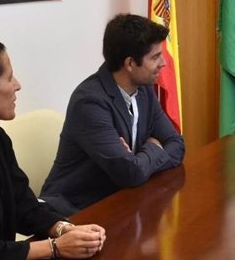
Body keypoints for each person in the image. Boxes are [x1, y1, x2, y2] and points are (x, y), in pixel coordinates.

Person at [0, 37, 106, 259]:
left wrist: (66, 230)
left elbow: (24, 207)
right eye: (9, 77)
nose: (17, 85)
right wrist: (55, 248)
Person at [40, 14, 185, 215]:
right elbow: (130, 173)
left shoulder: (144, 90)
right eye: (155, 57)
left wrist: (137, 159)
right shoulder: (90, 103)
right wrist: (153, 147)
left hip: (121, 202)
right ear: (130, 64)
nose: (163, 63)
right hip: (75, 212)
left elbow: (177, 145)